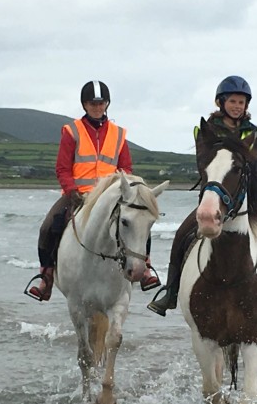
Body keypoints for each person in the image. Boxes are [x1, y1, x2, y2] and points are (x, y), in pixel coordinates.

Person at [147, 75, 257, 315]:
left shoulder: (255, 133)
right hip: (217, 195)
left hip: (248, 197)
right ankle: (171, 291)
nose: (237, 106)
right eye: (233, 101)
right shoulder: (206, 129)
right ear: (221, 102)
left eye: (241, 102)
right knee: (182, 234)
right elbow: (204, 161)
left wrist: (254, 194)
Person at [26, 80, 160, 301]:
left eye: (101, 103)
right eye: (92, 103)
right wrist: (71, 190)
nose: (97, 107)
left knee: (138, 220)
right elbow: (62, 167)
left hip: (111, 195)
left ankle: (144, 268)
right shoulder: (72, 131)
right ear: (84, 105)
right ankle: (46, 278)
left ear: (107, 104)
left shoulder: (118, 134)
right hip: (78, 194)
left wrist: (119, 188)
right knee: (48, 227)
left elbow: (125, 167)